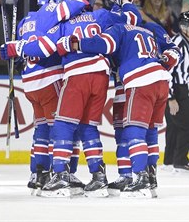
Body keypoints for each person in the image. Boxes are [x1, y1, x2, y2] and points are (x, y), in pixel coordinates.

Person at [5, 0, 141, 197]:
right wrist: (124, 0)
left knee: (63, 124)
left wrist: (17, 47)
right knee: (88, 126)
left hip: (78, 74)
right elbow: (132, 19)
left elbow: (42, 48)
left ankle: (60, 176)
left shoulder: (62, 25)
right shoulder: (100, 15)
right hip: (102, 74)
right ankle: (98, 177)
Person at [67, 20, 178, 198]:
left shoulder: (116, 27)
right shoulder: (147, 28)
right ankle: (148, 178)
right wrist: (165, 61)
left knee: (134, 131)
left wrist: (75, 44)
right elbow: (173, 49)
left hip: (139, 78)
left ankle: (140, 179)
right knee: (150, 131)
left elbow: (104, 44)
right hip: (160, 79)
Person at [0, 0, 87, 194]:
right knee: (63, 128)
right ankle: (62, 173)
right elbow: (82, 2)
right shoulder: (52, 12)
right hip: (50, 78)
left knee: (42, 129)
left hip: (30, 83)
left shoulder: (25, 21)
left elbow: (20, 50)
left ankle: (38, 174)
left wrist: (14, 49)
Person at [164, 10, 189, 172]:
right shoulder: (176, 44)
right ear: (183, 27)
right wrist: (171, 97)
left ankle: (169, 161)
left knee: (174, 125)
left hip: (182, 87)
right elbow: (167, 72)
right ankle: (180, 160)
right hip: (174, 89)